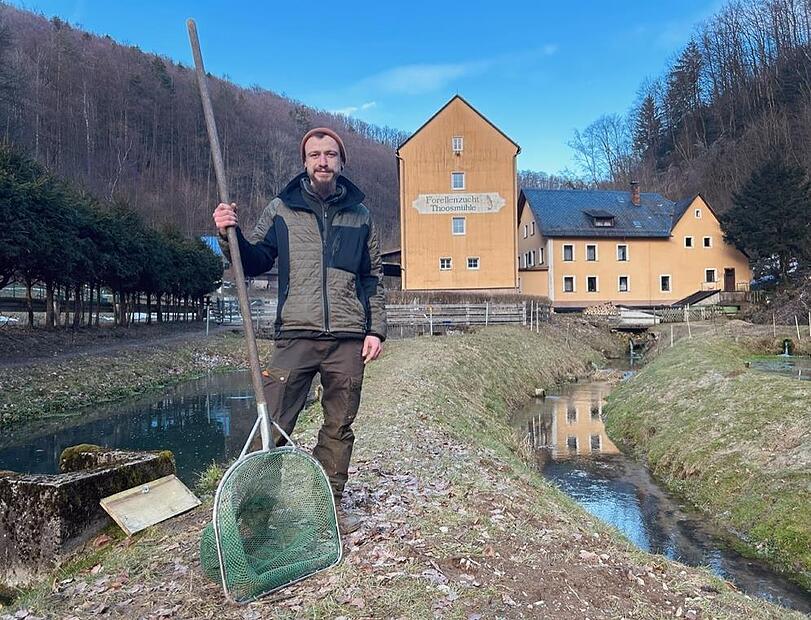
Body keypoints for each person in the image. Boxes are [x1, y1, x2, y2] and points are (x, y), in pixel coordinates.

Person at [212, 127, 386, 534]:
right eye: (314, 155)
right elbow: (254, 259)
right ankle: (253, 520)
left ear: (341, 162)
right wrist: (228, 233)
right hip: (294, 334)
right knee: (272, 424)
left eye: (330, 154)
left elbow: (372, 277)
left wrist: (375, 330)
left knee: (338, 427)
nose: (323, 161)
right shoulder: (281, 209)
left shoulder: (360, 215)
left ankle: (326, 508)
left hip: (347, 337)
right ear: (305, 162)